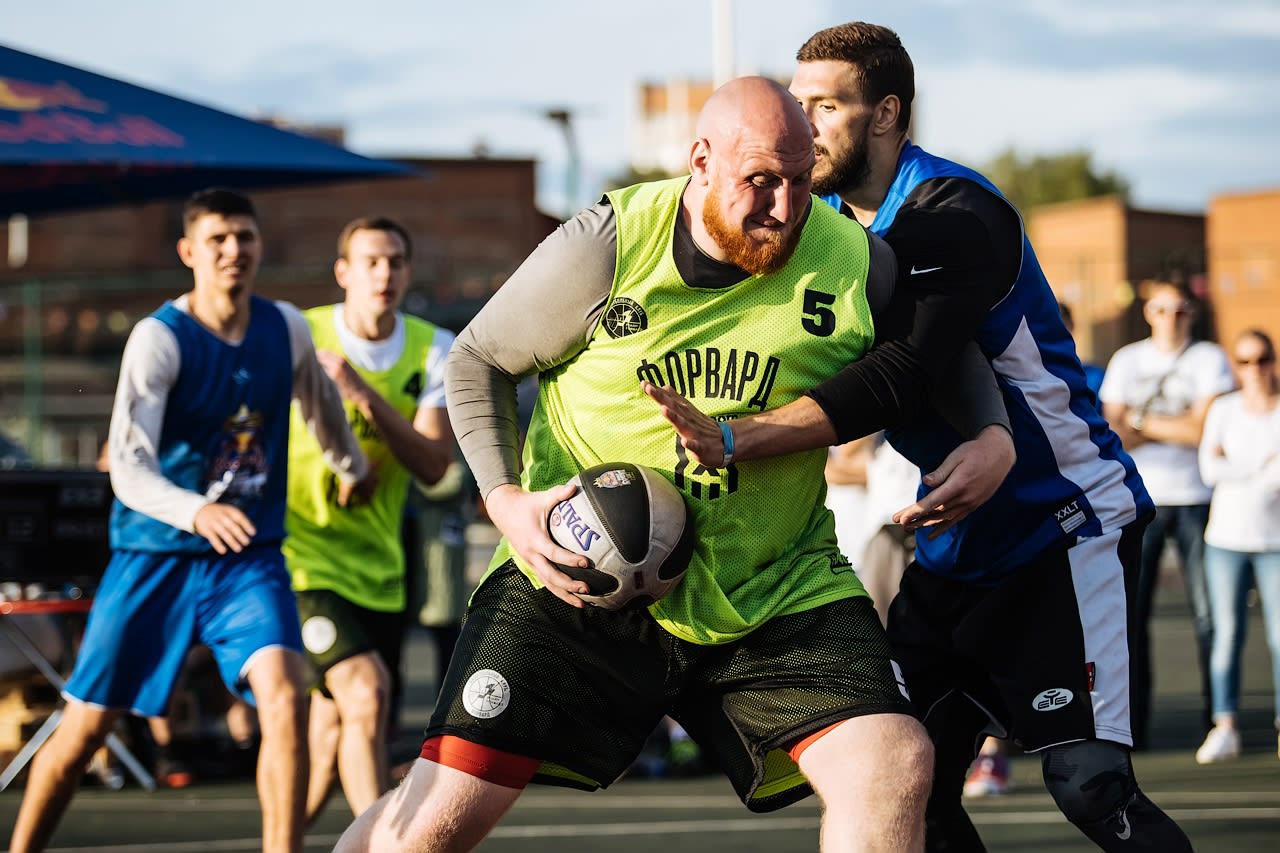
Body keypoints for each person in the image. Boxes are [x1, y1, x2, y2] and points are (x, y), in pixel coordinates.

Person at [334, 75, 1026, 852]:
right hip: (575, 580)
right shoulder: (611, 243)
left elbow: (938, 350)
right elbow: (477, 360)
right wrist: (504, 501)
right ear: (701, 161)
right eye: (760, 181)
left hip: (773, 586)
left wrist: (992, 435)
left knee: (895, 760)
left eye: (801, 182)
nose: (786, 207)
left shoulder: (853, 260)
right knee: (432, 818)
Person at [644, 23, 1192, 850]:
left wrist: (740, 437)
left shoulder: (953, 215)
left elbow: (901, 370)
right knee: (903, 782)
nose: (805, 122)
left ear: (886, 113)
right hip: (951, 549)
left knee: (1090, 785)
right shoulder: (818, 225)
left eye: (826, 105)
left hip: (1063, 526)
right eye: (797, 103)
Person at [8, 188, 371, 853]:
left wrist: (351, 466)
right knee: (86, 727)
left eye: (245, 237)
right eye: (218, 239)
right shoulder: (159, 338)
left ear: (261, 245)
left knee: (286, 696)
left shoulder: (285, 326)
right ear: (188, 252)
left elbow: (320, 404)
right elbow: (127, 464)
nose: (234, 250)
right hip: (155, 556)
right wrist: (197, 509)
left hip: (247, 558)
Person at [283, 216, 455, 824]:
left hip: (379, 565)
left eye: (396, 261)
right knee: (367, 694)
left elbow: (434, 466)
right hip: (300, 560)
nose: (384, 273)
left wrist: (360, 394)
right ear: (344, 272)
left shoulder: (433, 349)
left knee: (332, 732)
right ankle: (384, 840)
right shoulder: (299, 335)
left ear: (408, 271)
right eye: (371, 261)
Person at [1099, 280, 1235, 748]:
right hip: (1139, 501)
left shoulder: (1209, 359)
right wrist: (1167, 427)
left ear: (1192, 313)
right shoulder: (1127, 360)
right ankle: (1133, 725)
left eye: (1179, 311)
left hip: (1196, 499)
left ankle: (1217, 720)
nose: (1170, 318)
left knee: (1207, 615)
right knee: (1131, 618)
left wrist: (1141, 422)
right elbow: (1111, 428)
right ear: (1148, 312)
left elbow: (1205, 429)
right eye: (1162, 310)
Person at [1194, 329, 1280, 764]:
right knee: (1226, 635)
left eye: (1262, 359)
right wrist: (1255, 466)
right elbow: (1209, 469)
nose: (1254, 369)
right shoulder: (1224, 409)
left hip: (1275, 543)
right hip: (1225, 540)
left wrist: (1237, 465)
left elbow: (1275, 480)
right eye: (1244, 361)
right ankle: (1224, 725)